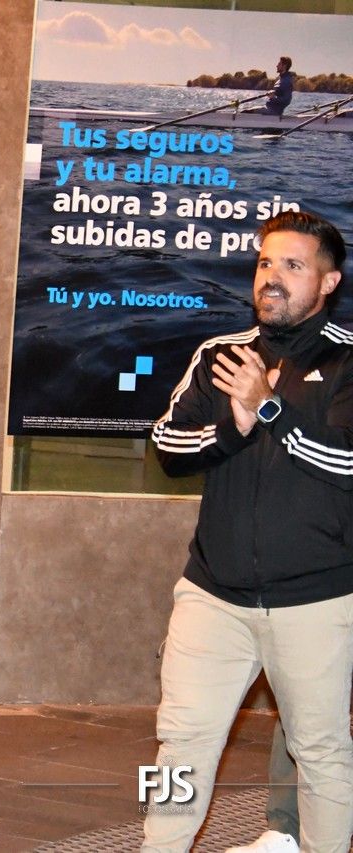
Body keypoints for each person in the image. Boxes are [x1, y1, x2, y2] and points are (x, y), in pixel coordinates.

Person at [143, 210, 352, 853]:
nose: (272, 278)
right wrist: (233, 428)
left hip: (317, 601)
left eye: (293, 265)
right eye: (265, 263)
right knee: (178, 746)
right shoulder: (219, 357)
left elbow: (347, 462)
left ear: (328, 282)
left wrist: (269, 408)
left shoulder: (348, 361)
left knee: (320, 752)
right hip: (212, 597)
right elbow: (167, 447)